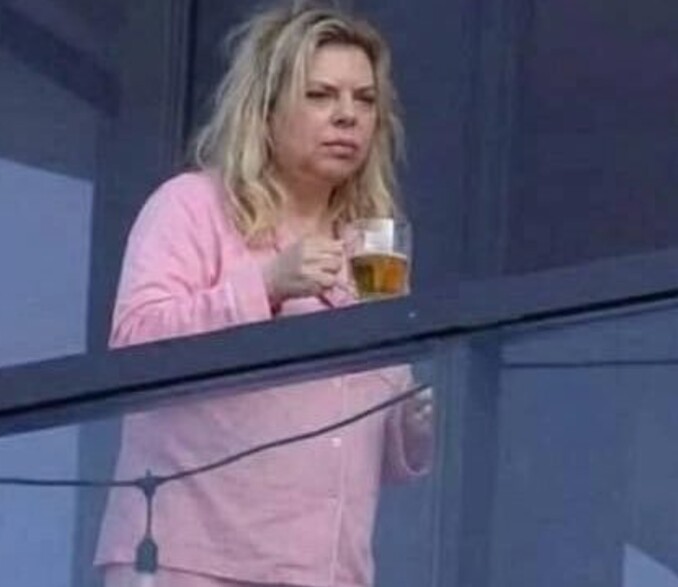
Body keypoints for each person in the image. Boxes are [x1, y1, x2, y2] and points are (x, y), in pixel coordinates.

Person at [93, 4, 433, 587]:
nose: (348, 115)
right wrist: (266, 285)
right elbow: (133, 345)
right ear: (266, 108)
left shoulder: (374, 246)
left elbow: (353, 431)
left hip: (329, 572)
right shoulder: (193, 205)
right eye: (321, 95)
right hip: (190, 560)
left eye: (365, 99)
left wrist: (412, 426)